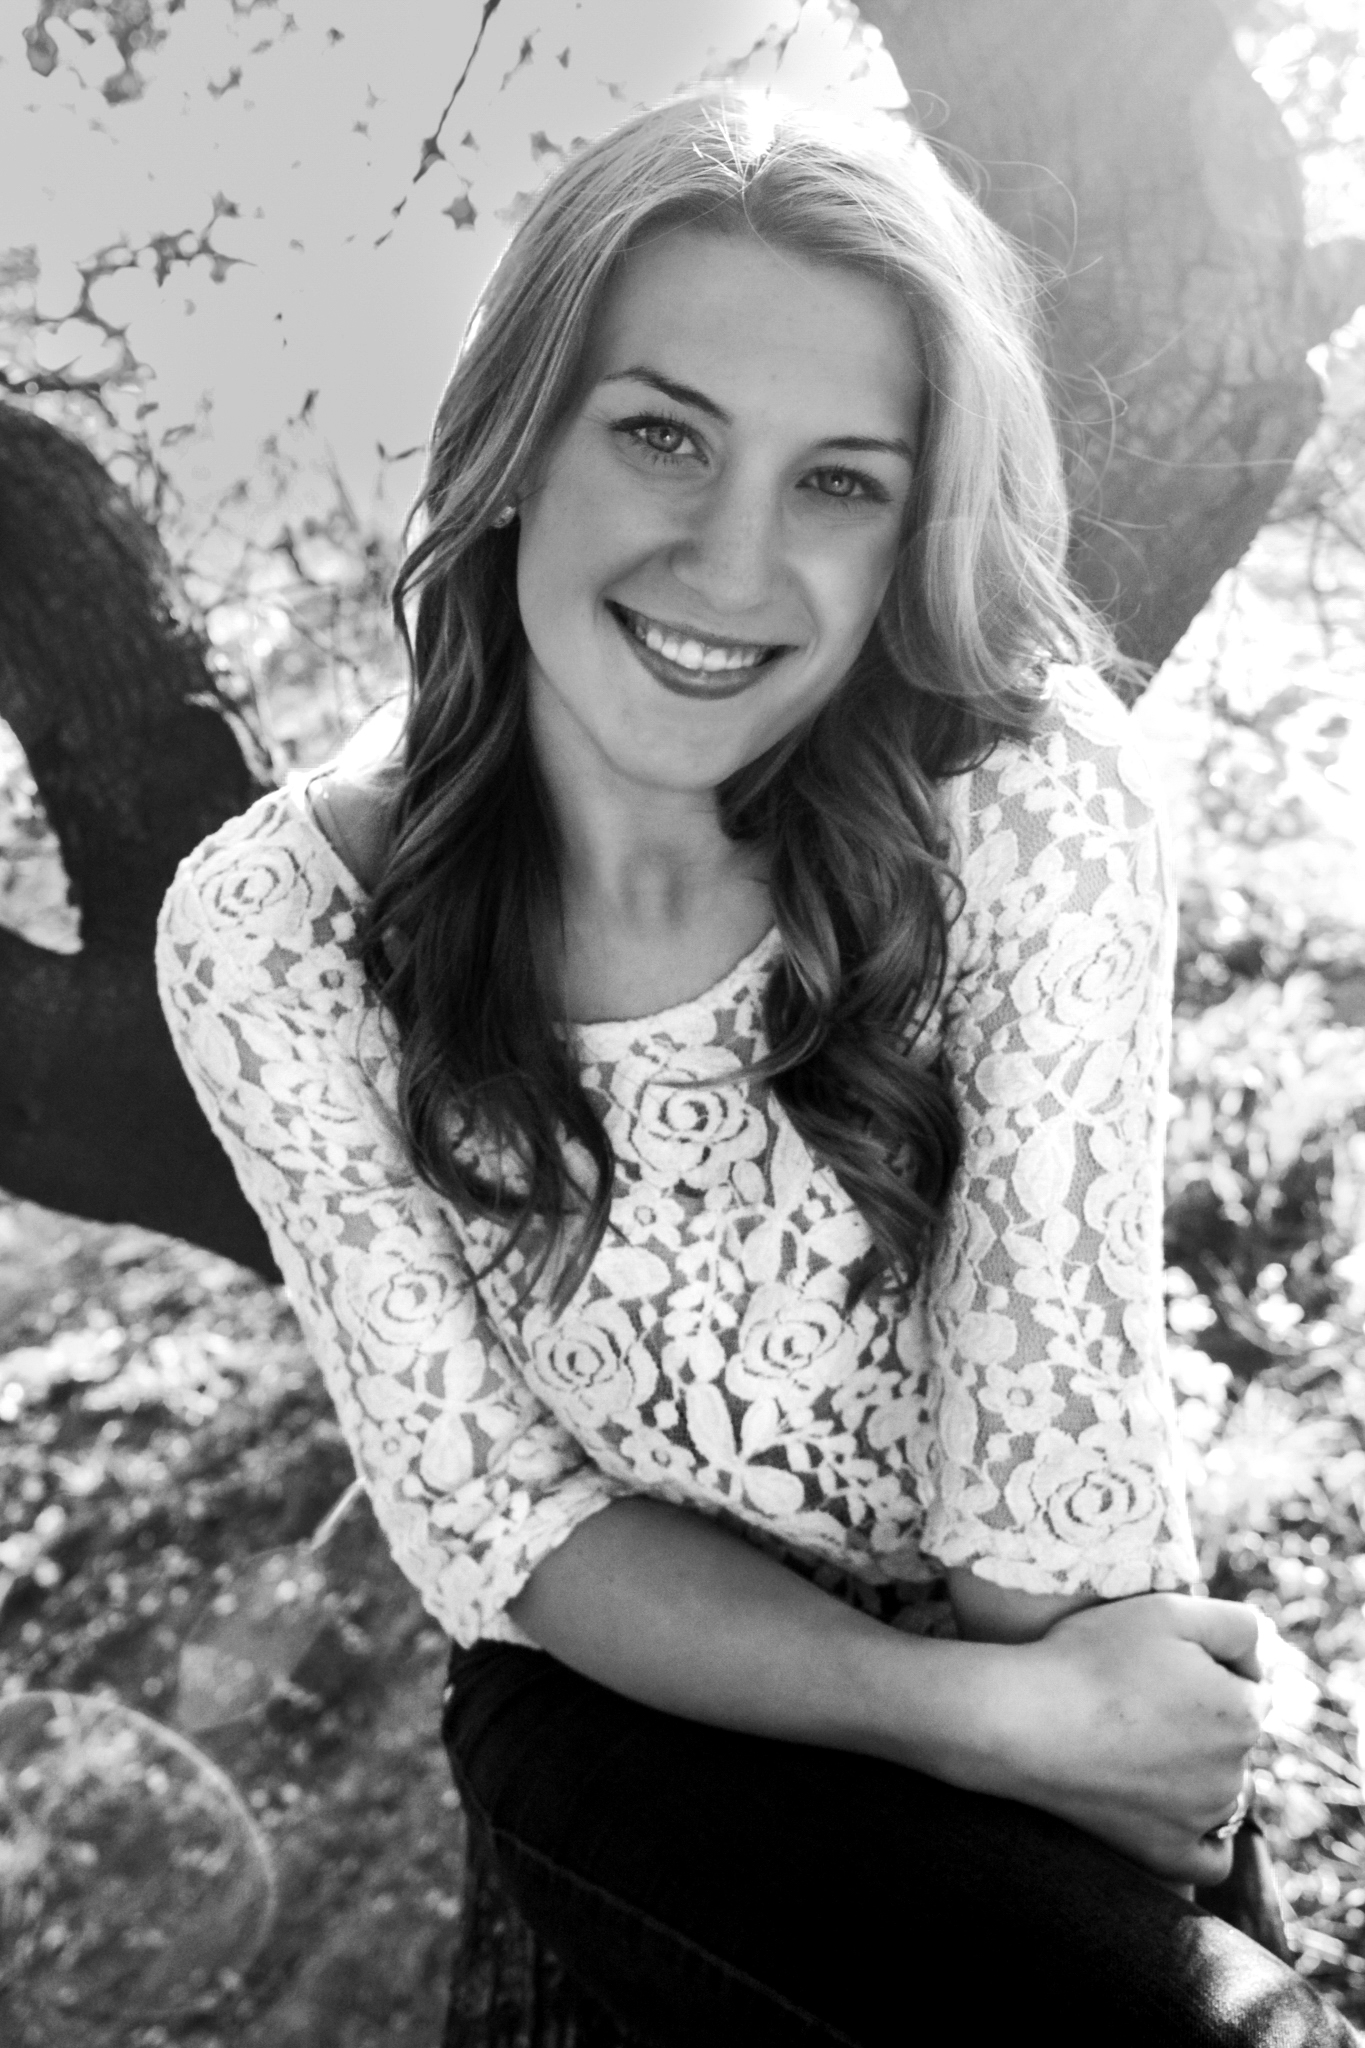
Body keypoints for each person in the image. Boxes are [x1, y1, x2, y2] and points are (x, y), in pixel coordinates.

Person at [155, 90, 1355, 2047]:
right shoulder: (272, 932)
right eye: (659, 435)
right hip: (620, 1708)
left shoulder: (1018, 805)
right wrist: (974, 1725)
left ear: (914, 522)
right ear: (517, 439)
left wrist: (1057, 1727)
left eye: (838, 482)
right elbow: (492, 1523)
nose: (732, 562)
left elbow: (1044, 1478)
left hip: (1049, 1642)